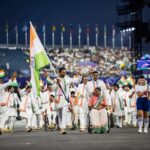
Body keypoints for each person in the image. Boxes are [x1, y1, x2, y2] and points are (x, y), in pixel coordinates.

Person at [53, 67, 81, 134]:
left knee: (64, 113)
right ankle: (60, 126)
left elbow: (77, 81)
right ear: (59, 72)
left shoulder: (68, 78)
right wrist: (56, 83)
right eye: (63, 72)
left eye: (65, 72)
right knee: (60, 114)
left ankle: (63, 128)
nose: (64, 73)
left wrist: (80, 75)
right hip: (58, 99)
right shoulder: (56, 79)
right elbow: (53, 88)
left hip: (66, 99)